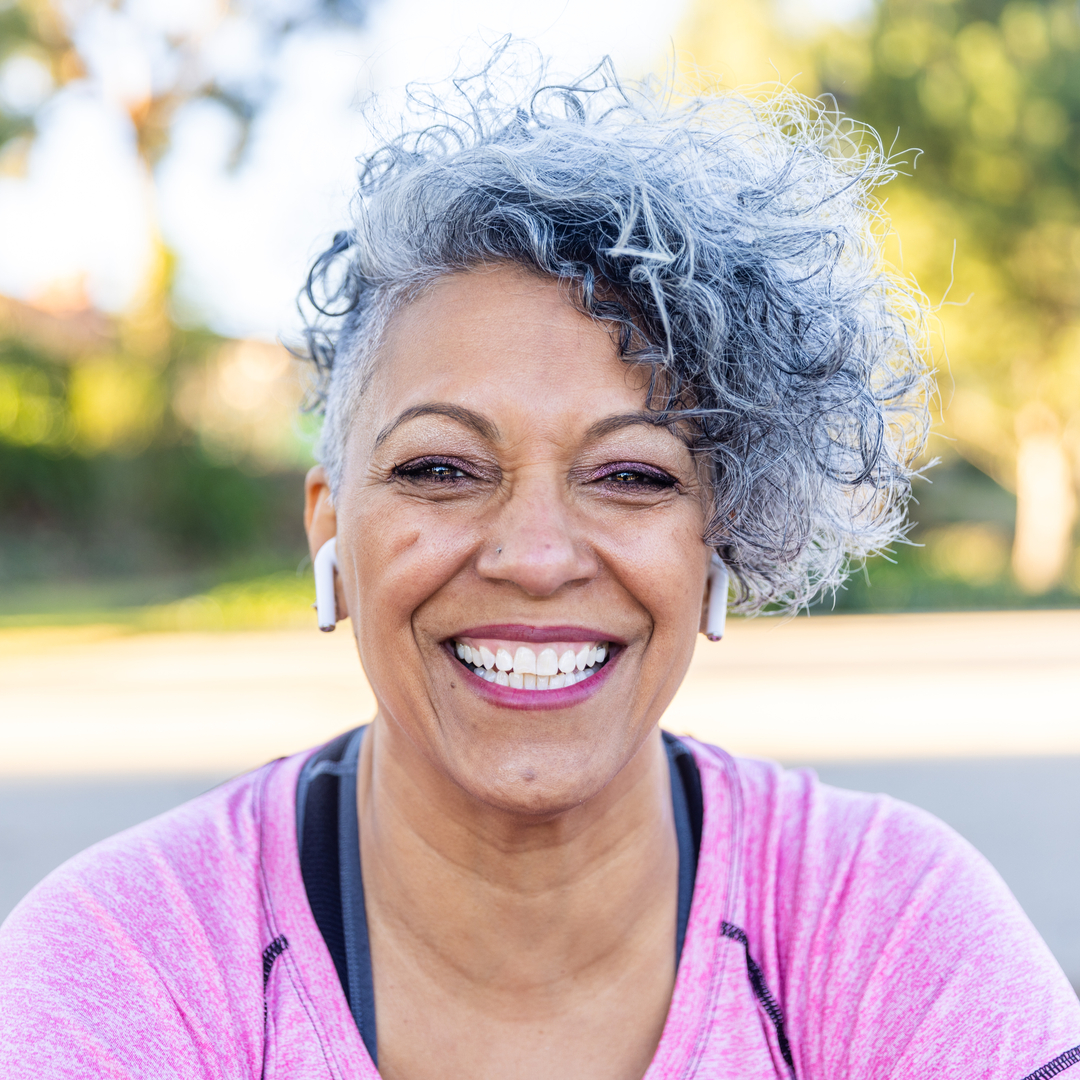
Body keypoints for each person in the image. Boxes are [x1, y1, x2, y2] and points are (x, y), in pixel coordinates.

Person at [2, 48, 1078, 1080]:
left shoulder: (886, 918)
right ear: (330, 523)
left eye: (633, 476)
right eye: (440, 467)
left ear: (722, 532)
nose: (535, 556)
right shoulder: (128, 956)